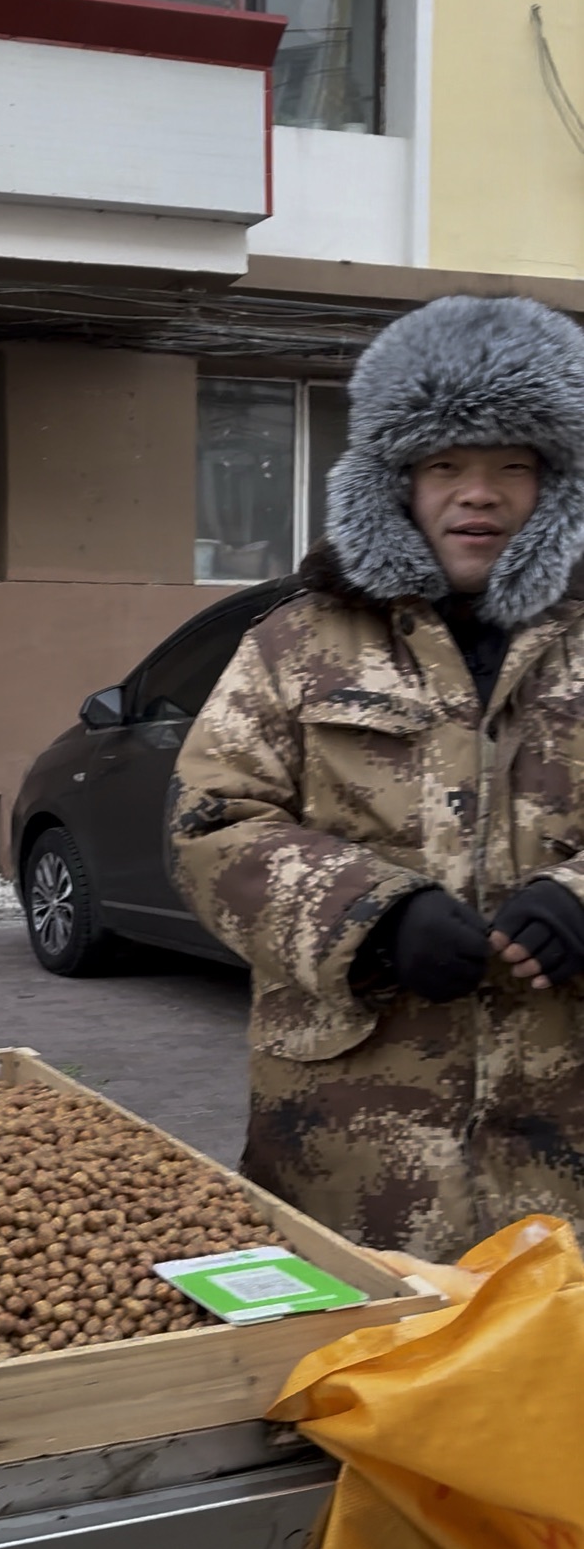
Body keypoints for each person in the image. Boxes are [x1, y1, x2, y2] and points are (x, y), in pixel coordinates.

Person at [169, 294, 584, 1259]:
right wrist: (368, 913)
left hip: (562, 1159)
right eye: (446, 465)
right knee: (345, 1385)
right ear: (395, 483)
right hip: (346, 1156)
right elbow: (209, 821)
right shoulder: (295, 642)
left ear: (556, 485)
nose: (476, 494)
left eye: (510, 467)